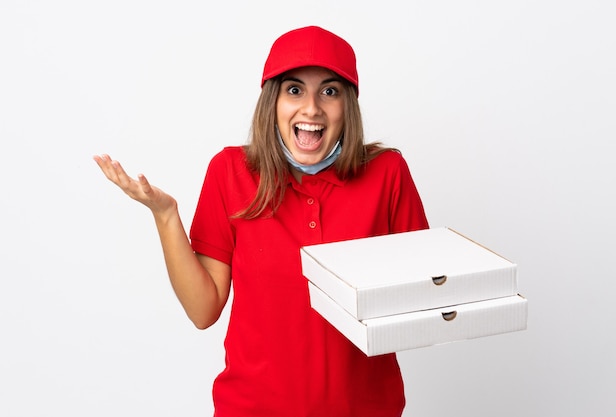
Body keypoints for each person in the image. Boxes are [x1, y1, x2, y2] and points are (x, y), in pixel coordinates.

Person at [94, 25, 428, 417]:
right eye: (294, 89)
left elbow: (418, 306)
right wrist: (166, 217)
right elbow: (204, 311)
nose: (312, 108)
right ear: (272, 102)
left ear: (348, 105)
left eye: (330, 91)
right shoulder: (229, 172)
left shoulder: (387, 174)